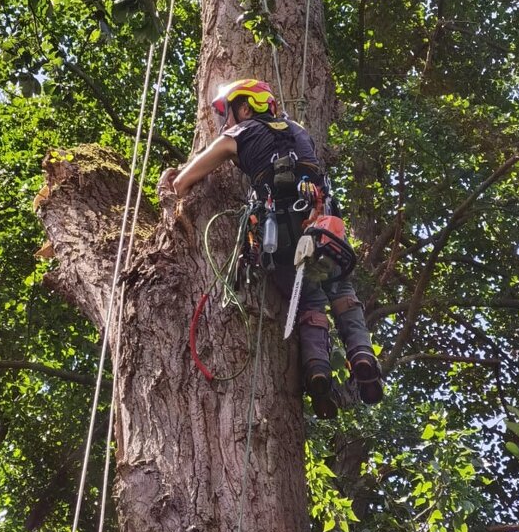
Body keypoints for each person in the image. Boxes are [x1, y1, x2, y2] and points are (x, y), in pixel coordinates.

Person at [158, 78, 383, 418]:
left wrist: (169, 180)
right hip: (323, 223)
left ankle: (318, 371)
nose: (226, 122)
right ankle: (362, 356)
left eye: (229, 112)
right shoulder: (298, 130)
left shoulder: (238, 134)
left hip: (280, 228)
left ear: (246, 107)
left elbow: (185, 180)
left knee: (309, 299)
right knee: (340, 289)